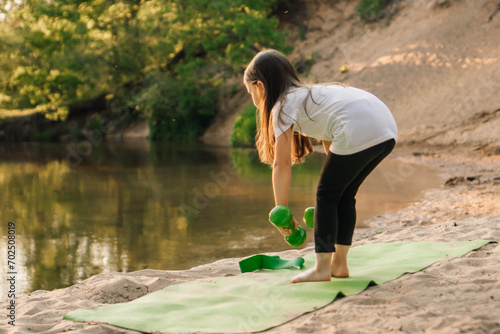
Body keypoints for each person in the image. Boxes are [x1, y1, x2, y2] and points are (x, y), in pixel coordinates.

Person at [243, 49, 398, 283]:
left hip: (358, 127)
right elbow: (332, 147)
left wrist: (281, 212)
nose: (252, 99)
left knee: (325, 196)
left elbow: (282, 164)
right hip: (386, 129)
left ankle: (322, 268)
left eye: (250, 92)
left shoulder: (282, 106)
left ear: (260, 85)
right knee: (344, 195)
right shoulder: (313, 95)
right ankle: (339, 265)